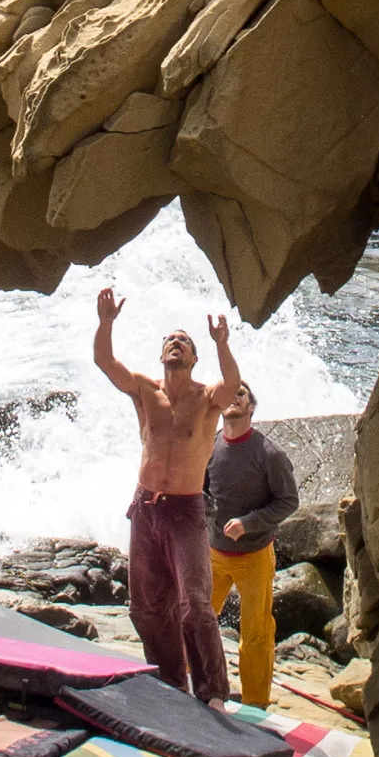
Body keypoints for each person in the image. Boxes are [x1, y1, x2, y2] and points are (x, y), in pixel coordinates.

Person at [90, 286, 235, 701]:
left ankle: (213, 691)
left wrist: (222, 343)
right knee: (147, 607)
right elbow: (104, 361)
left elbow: (233, 384)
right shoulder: (144, 390)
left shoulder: (207, 398)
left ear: (193, 358)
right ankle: (173, 684)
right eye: (170, 340)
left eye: (184, 342)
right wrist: (106, 322)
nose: (176, 343)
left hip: (186, 511)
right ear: (162, 355)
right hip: (147, 508)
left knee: (195, 603)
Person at [205, 381, 300, 708]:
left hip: (255, 556)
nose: (233, 397)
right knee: (197, 621)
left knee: (256, 635)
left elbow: (288, 501)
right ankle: (189, 687)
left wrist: (249, 523)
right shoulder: (212, 445)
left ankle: (255, 704)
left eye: (240, 394)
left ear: (250, 408)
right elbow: (202, 492)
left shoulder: (268, 453)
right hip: (213, 554)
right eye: (228, 394)